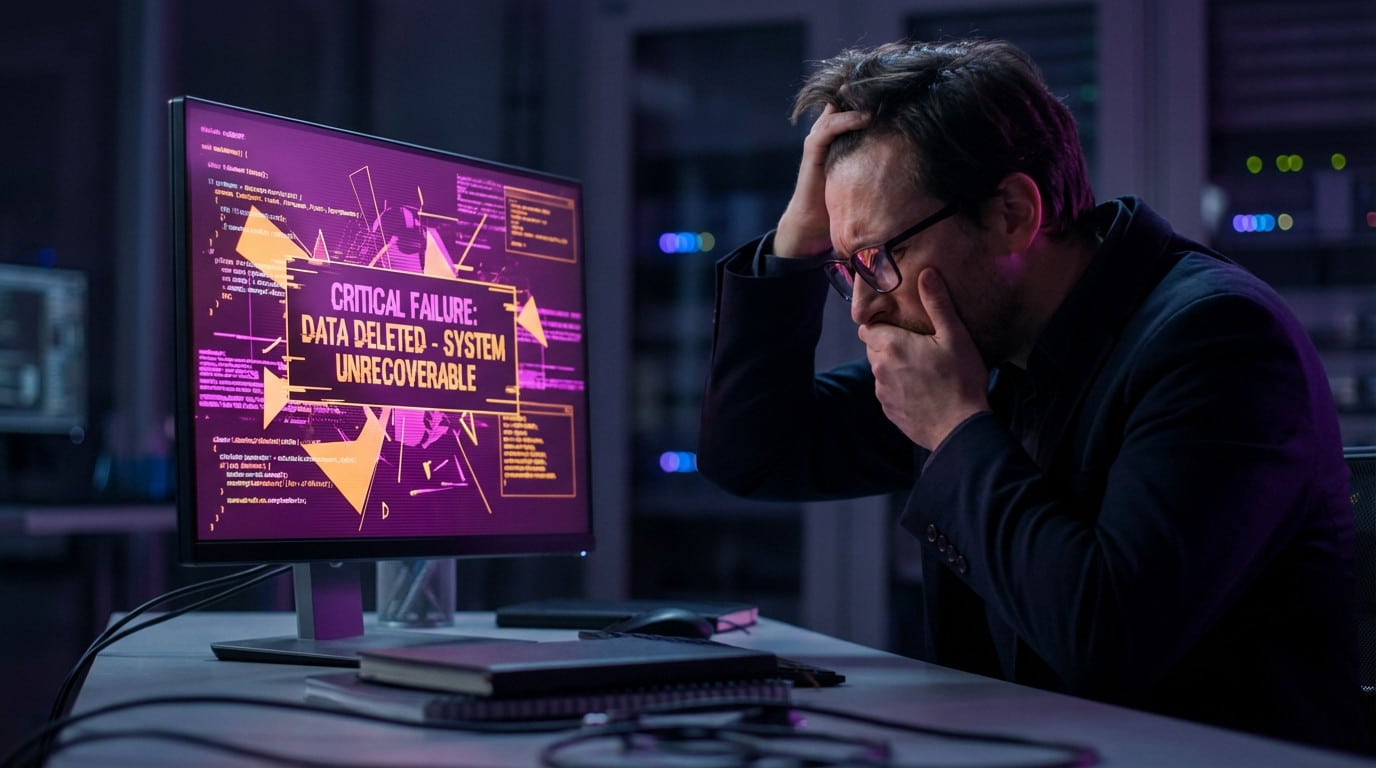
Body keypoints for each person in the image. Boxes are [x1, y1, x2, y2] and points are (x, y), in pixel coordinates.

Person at [696, 38, 1370, 753]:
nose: (861, 308)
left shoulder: (1217, 339)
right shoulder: (990, 347)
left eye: (880, 258)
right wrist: (795, 244)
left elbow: (1105, 644)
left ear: (1012, 213)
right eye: (845, 266)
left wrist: (956, 430)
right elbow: (753, 453)